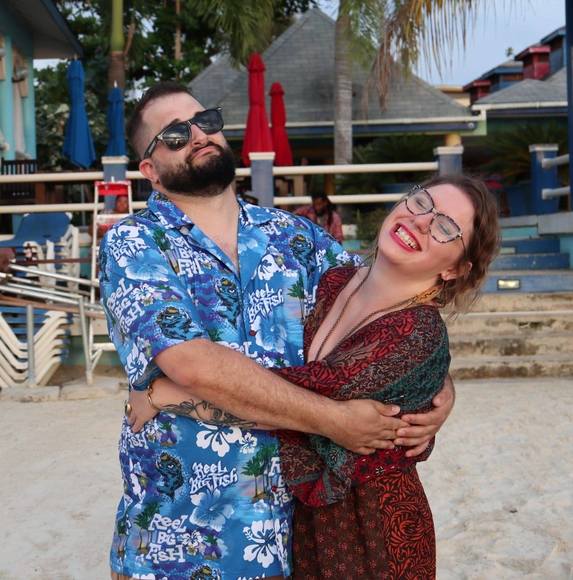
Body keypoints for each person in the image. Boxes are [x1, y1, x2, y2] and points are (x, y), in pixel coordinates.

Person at [99, 81, 454, 579]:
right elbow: (193, 364)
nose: (198, 135)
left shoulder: (295, 236)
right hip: (175, 543)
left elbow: (386, 305)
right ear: (150, 171)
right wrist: (334, 420)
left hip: (292, 539)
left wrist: (439, 382)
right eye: (175, 134)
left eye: (205, 121)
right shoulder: (134, 243)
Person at [129, 175, 500, 578]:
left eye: (445, 227)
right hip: (306, 526)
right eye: (422, 202)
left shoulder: (416, 334)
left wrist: (162, 394)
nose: (422, 221)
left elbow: (281, 401)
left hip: (375, 533)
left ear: (455, 269)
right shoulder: (333, 280)